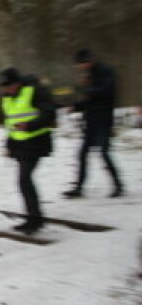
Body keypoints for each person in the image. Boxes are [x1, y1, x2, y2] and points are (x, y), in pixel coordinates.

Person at [0, 67, 55, 233]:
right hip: (21, 145)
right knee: (24, 181)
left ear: (18, 83)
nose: (7, 89)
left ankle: (35, 219)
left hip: (37, 142)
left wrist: (29, 125)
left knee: (24, 179)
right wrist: (9, 145)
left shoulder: (34, 91)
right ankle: (33, 217)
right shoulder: (6, 98)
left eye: (10, 86)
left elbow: (49, 114)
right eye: (4, 86)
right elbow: (10, 123)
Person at [63, 49, 123, 198]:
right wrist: (76, 107)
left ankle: (118, 185)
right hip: (91, 121)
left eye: (82, 64)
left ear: (89, 61)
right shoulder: (90, 75)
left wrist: (87, 88)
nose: (81, 67)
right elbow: (89, 99)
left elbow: (105, 92)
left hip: (103, 121)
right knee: (82, 154)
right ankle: (79, 188)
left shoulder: (106, 71)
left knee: (104, 153)